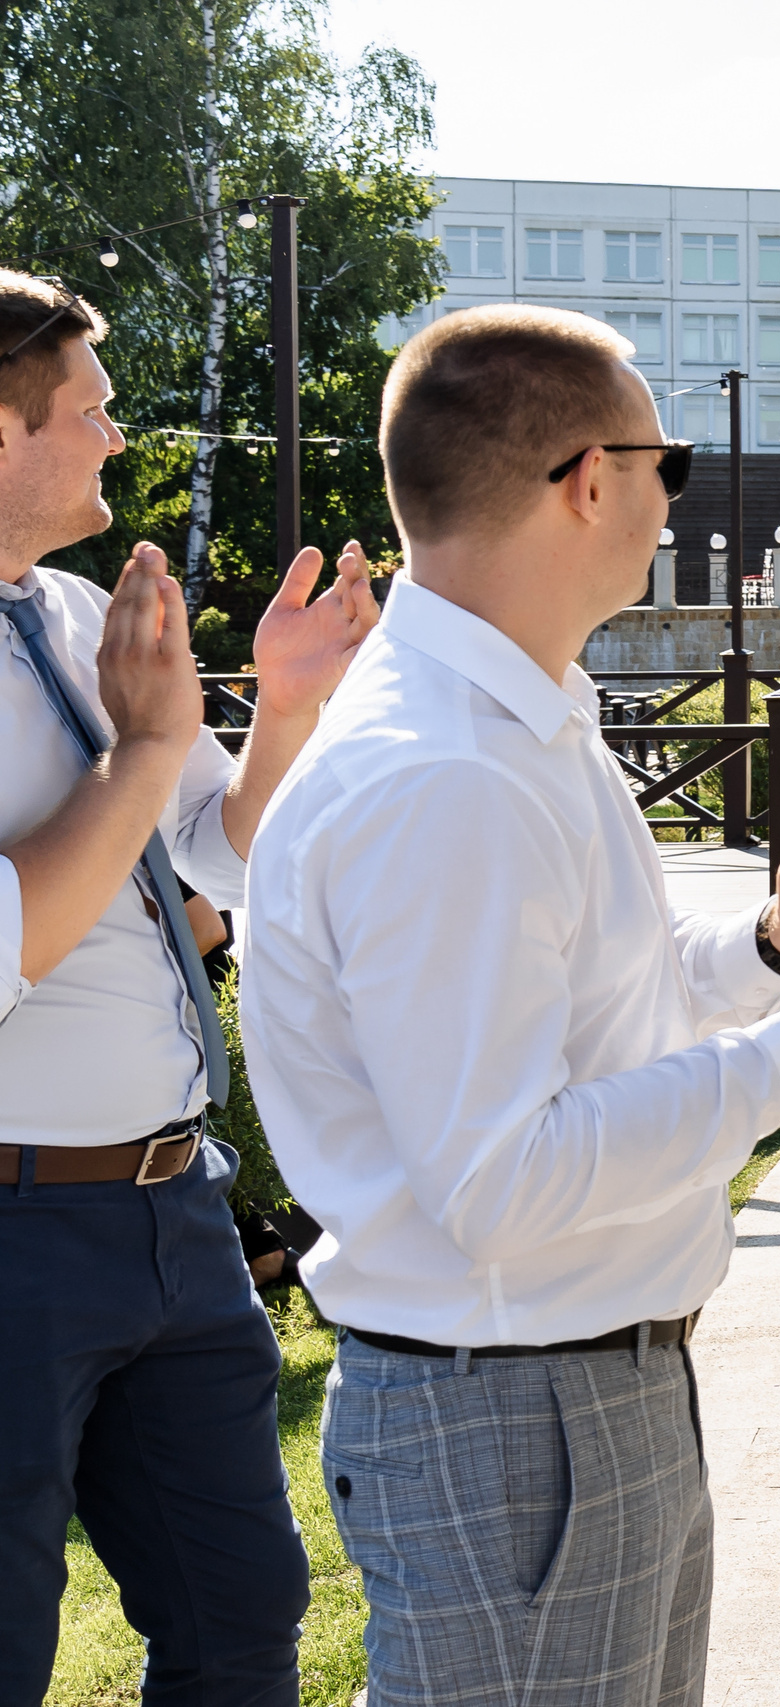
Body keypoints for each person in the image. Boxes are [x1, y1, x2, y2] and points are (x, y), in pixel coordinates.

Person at [238, 305, 780, 1705]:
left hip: (575, 1390)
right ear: (587, 481)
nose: (675, 494)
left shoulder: (514, 718)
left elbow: (613, 999)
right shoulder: (448, 773)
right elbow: (505, 1178)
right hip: (512, 1410)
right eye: (666, 458)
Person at [0, 268, 381, 1703]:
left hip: (170, 1212)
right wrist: (146, 753)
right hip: (13, 1235)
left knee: (241, 1619)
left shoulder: (82, 608)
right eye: (89, 409)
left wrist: (280, 705)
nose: (115, 436)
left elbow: (218, 850)